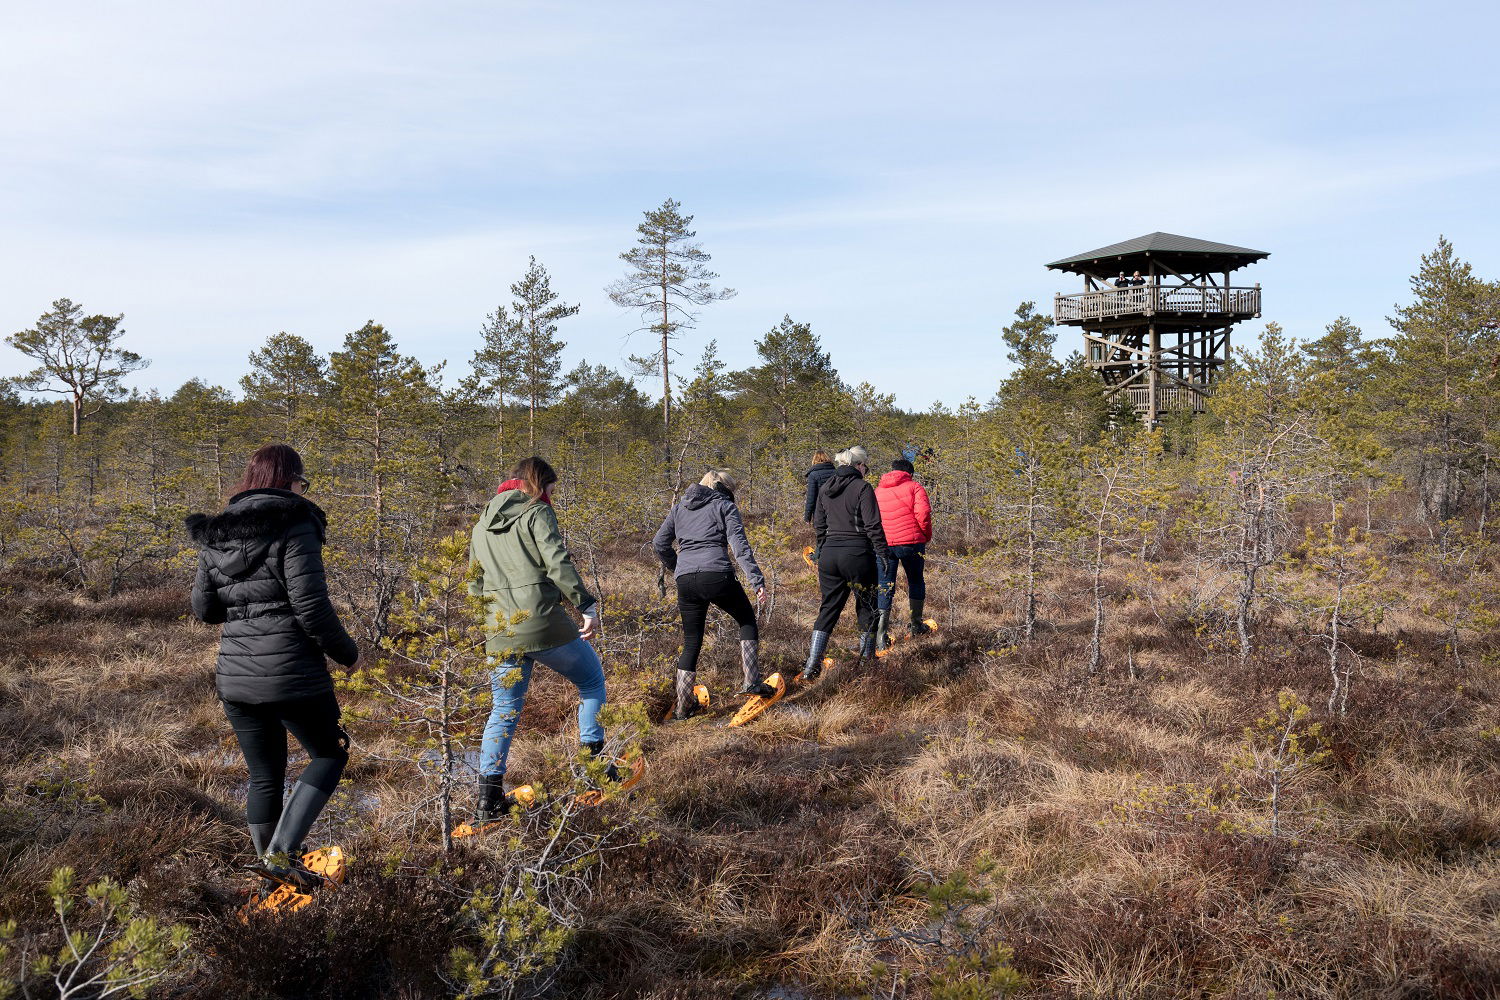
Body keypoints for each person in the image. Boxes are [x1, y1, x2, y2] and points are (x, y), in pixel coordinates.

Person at [188, 444, 359, 890]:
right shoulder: (294, 522)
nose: (304, 490)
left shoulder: (217, 532)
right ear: (290, 481)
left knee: (265, 775)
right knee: (329, 753)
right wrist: (348, 653)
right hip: (292, 672)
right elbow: (312, 607)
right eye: (302, 482)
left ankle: (271, 876)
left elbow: (204, 610)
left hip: (235, 678)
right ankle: (281, 859)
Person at [469, 457, 610, 823]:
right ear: (539, 484)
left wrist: (490, 620)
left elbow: (474, 581)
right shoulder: (537, 512)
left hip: (498, 628)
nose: (552, 496)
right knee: (592, 681)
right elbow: (557, 563)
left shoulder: (482, 522)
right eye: (551, 488)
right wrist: (586, 605)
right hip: (542, 622)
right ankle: (592, 770)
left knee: (503, 709)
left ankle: (488, 802)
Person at [652, 470, 770, 720]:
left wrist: (679, 568)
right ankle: (752, 683)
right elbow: (739, 546)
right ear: (725, 488)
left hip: (686, 581)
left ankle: (684, 709)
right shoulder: (724, 505)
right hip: (717, 574)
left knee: (692, 641)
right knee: (746, 619)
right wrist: (756, 580)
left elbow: (659, 544)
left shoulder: (679, 507)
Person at [801, 446, 890, 681]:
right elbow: (872, 525)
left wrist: (822, 550)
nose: (866, 471)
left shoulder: (825, 488)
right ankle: (868, 662)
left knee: (828, 608)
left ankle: (812, 665)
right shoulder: (862, 487)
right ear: (858, 465)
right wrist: (882, 554)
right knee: (866, 607)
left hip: (829, 555)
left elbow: (819, 524)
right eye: (866, 467)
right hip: (858, 554)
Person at [873, 458, 933, 648]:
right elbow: (923, 514)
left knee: (884, 586)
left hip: (884, 545)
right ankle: (916, 625)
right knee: (915, 581)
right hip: (912, 542)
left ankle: (881, 636)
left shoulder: (878, 490)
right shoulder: (915, 487)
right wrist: (925, 535)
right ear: (910, 473)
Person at [803, 450, 835, 523]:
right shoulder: (836, 473)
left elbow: (811, 497)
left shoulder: (813, 475)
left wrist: (807, 517)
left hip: (820, 511)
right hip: (835, 511)